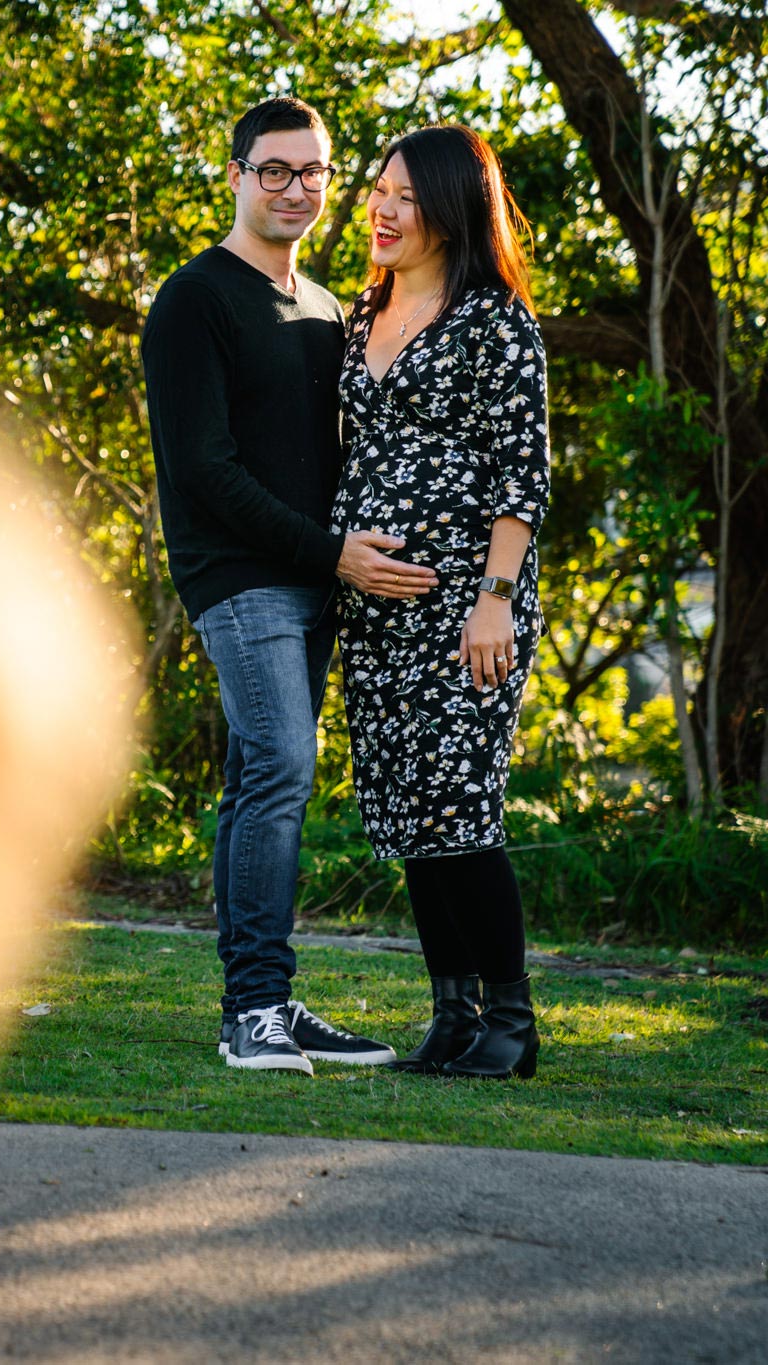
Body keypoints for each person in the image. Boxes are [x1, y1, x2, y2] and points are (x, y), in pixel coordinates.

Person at [142, 97, 425, 1074]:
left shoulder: (323, 309)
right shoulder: (193, 299)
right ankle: (251, 1013)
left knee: (250, 782)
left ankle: (260, 999)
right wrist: (329, 552)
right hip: (239, 577)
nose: (295, 188)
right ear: (234, 175)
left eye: (310, 172)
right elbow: (202, 469)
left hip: (312, 578)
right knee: (279, 771)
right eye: (273, 169)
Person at [330, 125, 550, 1079]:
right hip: (374, 609)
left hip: (468, 606)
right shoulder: (358, 315)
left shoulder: (498, 324)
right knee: (410, 812)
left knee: (460, 803)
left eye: (405, 197)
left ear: (453, 211)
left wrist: (495, 597)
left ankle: (512, 1018)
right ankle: (451, 1017)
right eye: (378, 189)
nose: (381, 208)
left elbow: (522, 474)